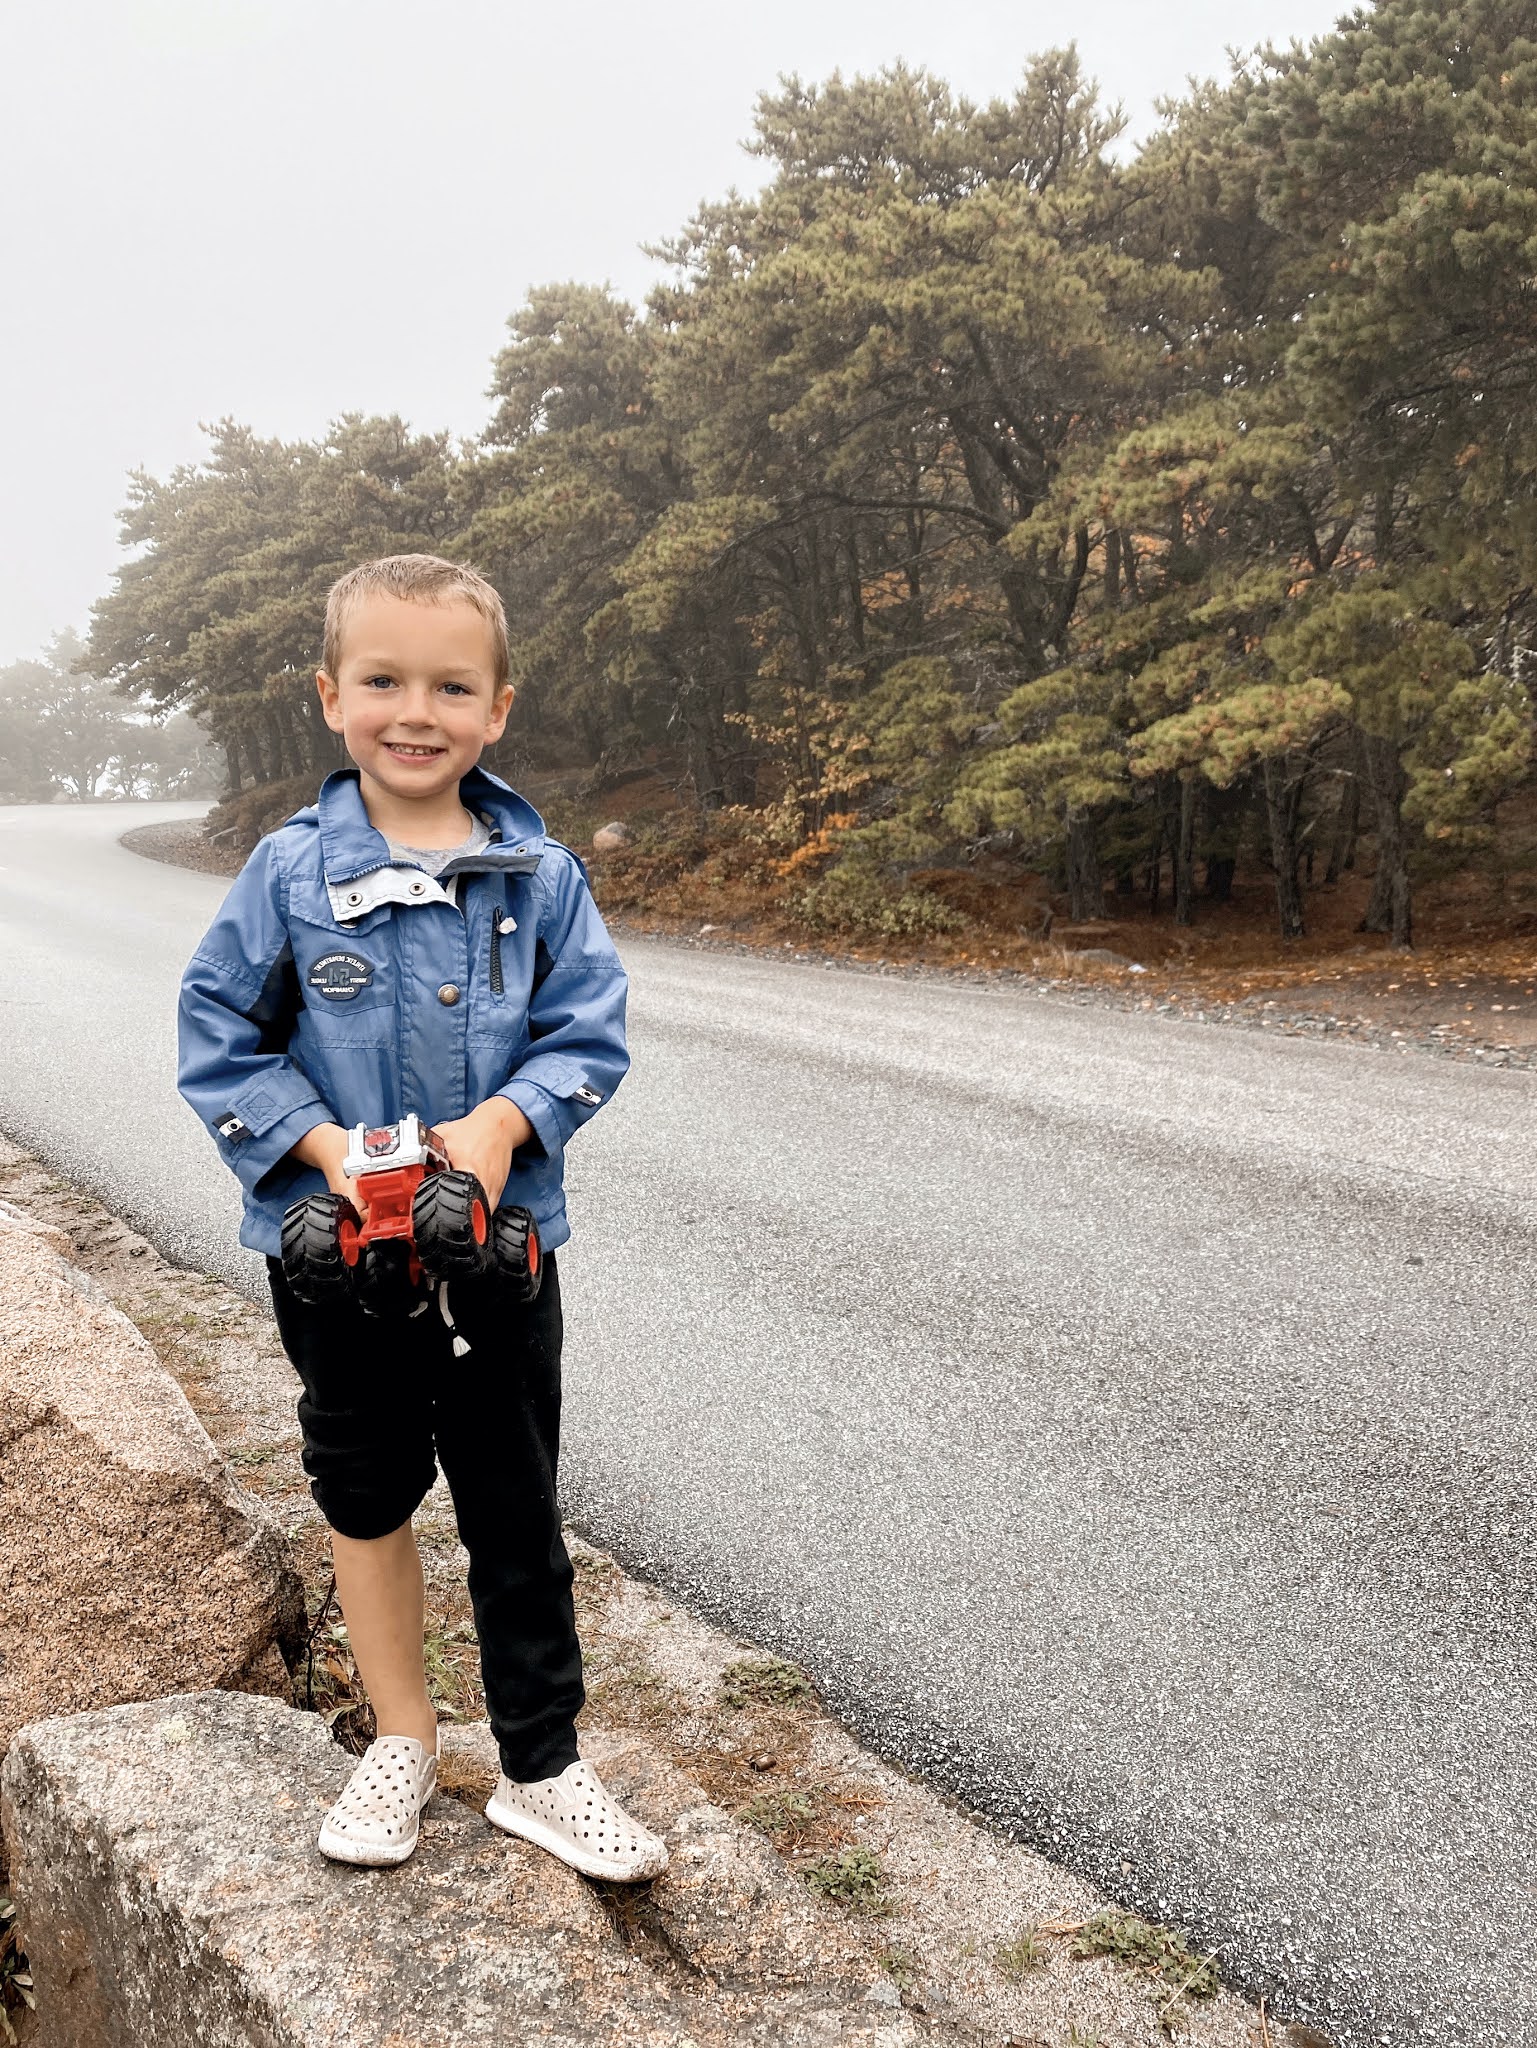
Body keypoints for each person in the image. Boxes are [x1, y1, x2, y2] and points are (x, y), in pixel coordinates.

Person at [177, 552, 668, 1882]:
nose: (416, 711)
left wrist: (506, 1128)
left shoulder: (540, 877)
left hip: (498, 1258)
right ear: (331, 696)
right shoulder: (284, 876)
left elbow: (588, 1030)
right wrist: (326, 1153)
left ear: (496, 709)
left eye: (451, 685)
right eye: (383, 680)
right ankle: (401, 1736)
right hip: (339, 1263)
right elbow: (217, 1035)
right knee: (365, 1487)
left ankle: (541, 1765)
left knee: (514, 1502)